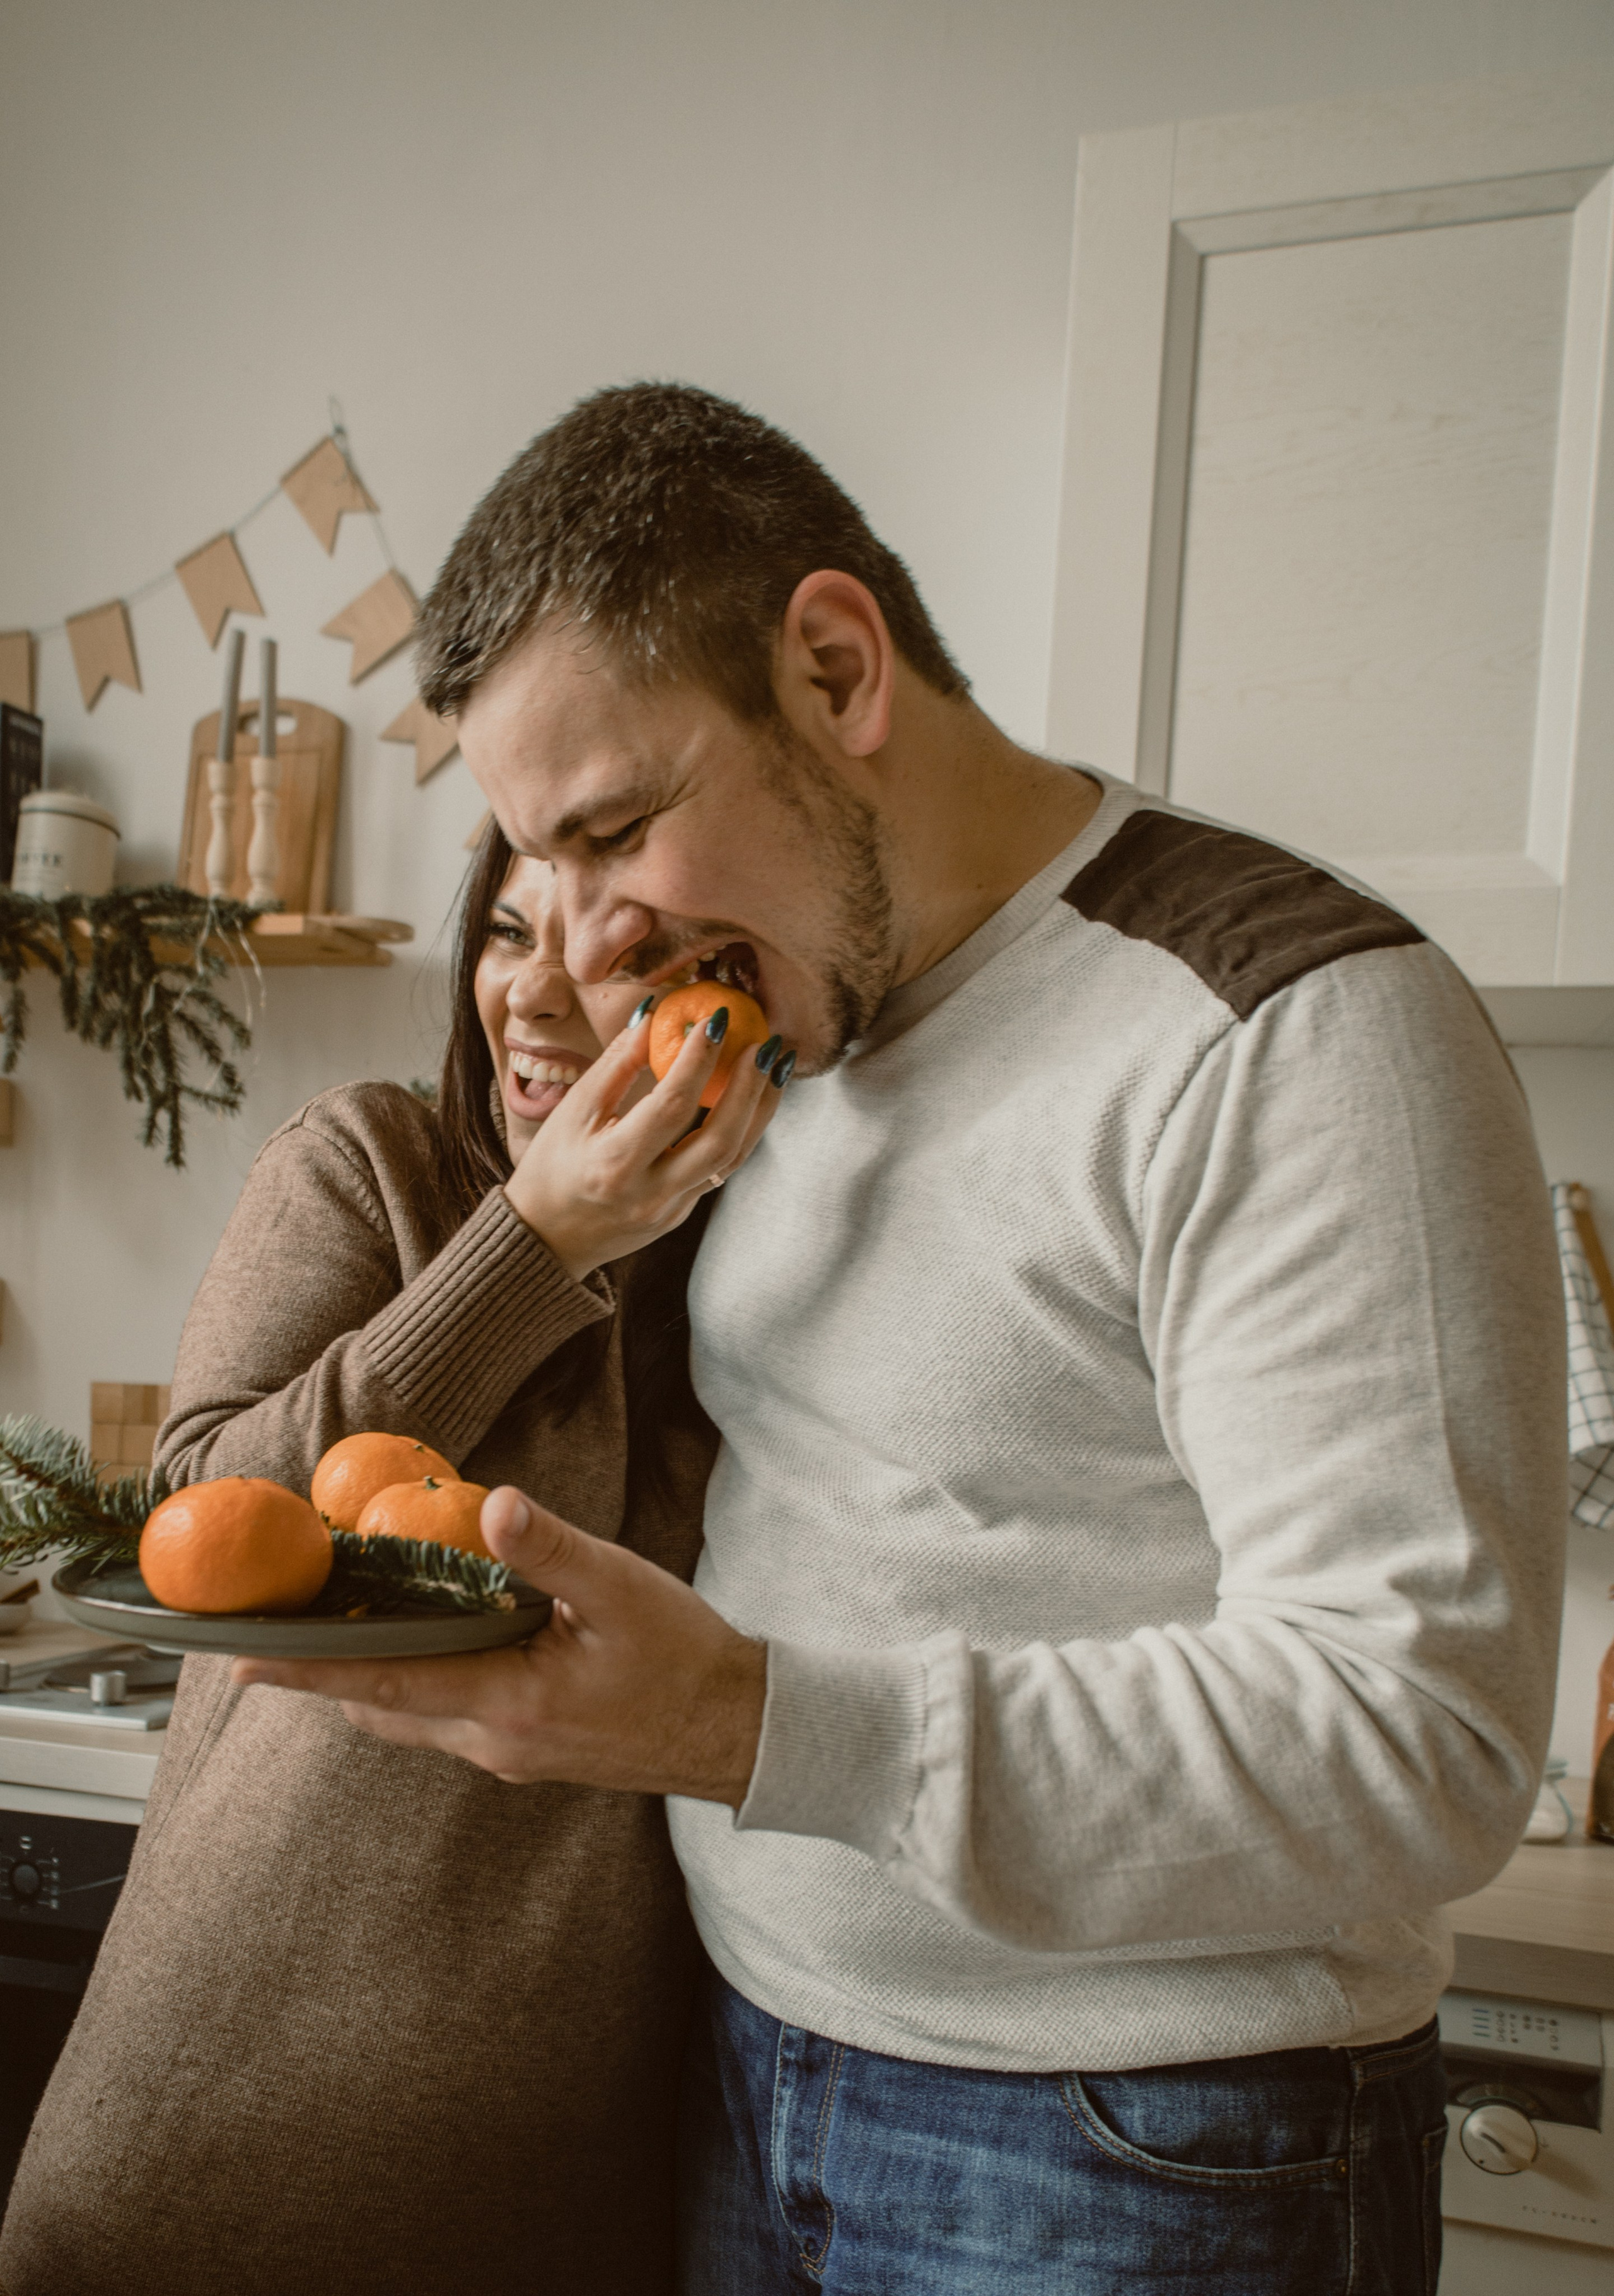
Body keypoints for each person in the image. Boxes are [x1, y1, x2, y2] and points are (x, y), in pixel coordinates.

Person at [226, 383, 1567, 2296]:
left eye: (614, 832)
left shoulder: (1290, 1027)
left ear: (837, 670)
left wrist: (743, 1722)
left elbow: (1417, 1737)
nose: (587, 947)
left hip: (1143, 2145)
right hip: (754, 2060)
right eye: (539, 862)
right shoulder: (792, 1018)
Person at [0, 818, 782, 2296]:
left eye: (611, 954)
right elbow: (198, 1516)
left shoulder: (770, 1270)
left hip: (568, 2180)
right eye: (507, 931)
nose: (530, 994)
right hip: (213, 2128)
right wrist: (535, 1239)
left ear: (726, 999)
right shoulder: (370, 1163)